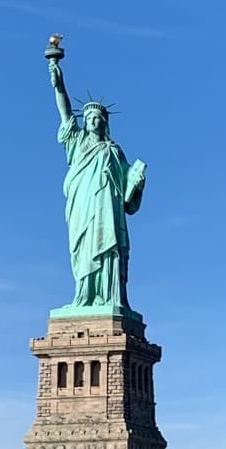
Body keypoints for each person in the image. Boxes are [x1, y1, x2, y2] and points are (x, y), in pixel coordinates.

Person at [48, 58, 146, 311]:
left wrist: (136, 181)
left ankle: (110, 297)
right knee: (83, 250)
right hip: (83, 205)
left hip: (108, 210)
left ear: (105, 122)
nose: (92, 121)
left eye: (97, 117)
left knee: (110, 248)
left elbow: (127, 197)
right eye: (89, 117)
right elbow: (65, 111)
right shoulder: (77, 141)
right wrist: (59, 85)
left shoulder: (114, 151)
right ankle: (85, 296)